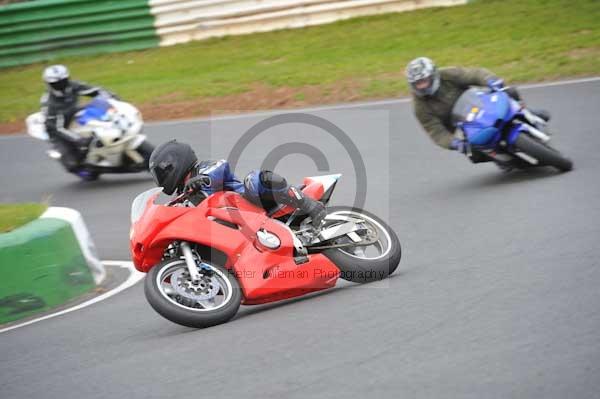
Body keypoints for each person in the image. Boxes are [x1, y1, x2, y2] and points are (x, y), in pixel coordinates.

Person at [148, 140, 327, 227]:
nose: (161, 177)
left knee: (254, 180)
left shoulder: (203, 169)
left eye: (162, 171)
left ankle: (308, 203)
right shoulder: (183, 197)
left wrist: (202, 179)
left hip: (253, 204)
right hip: (235, 228)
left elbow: (220, 167)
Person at [406, 57, 550, 161]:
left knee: (510, 91)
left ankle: (525, 112)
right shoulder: (419, 107)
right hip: (462, 126)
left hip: (478, 102)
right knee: (473, 154)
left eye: (424, 81)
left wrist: (492, 81)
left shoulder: (448, 74)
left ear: (433, 75)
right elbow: (436, 133)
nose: (422, 86)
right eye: (418, 83)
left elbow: (474, 74)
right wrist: (455, 143)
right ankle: (503, 160)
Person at [41, 64, 115, 173]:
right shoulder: (49, 102)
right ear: (50, 84)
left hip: (74, 114)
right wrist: (78, 139)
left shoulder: (72, 86)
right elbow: (58, 128)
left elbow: (94, 90)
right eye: (56, 83)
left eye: (63, 81)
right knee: (73, 164)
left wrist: (111, 96)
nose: (61, 85)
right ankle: (77, 164)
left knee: (98, 111)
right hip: (57, 129)